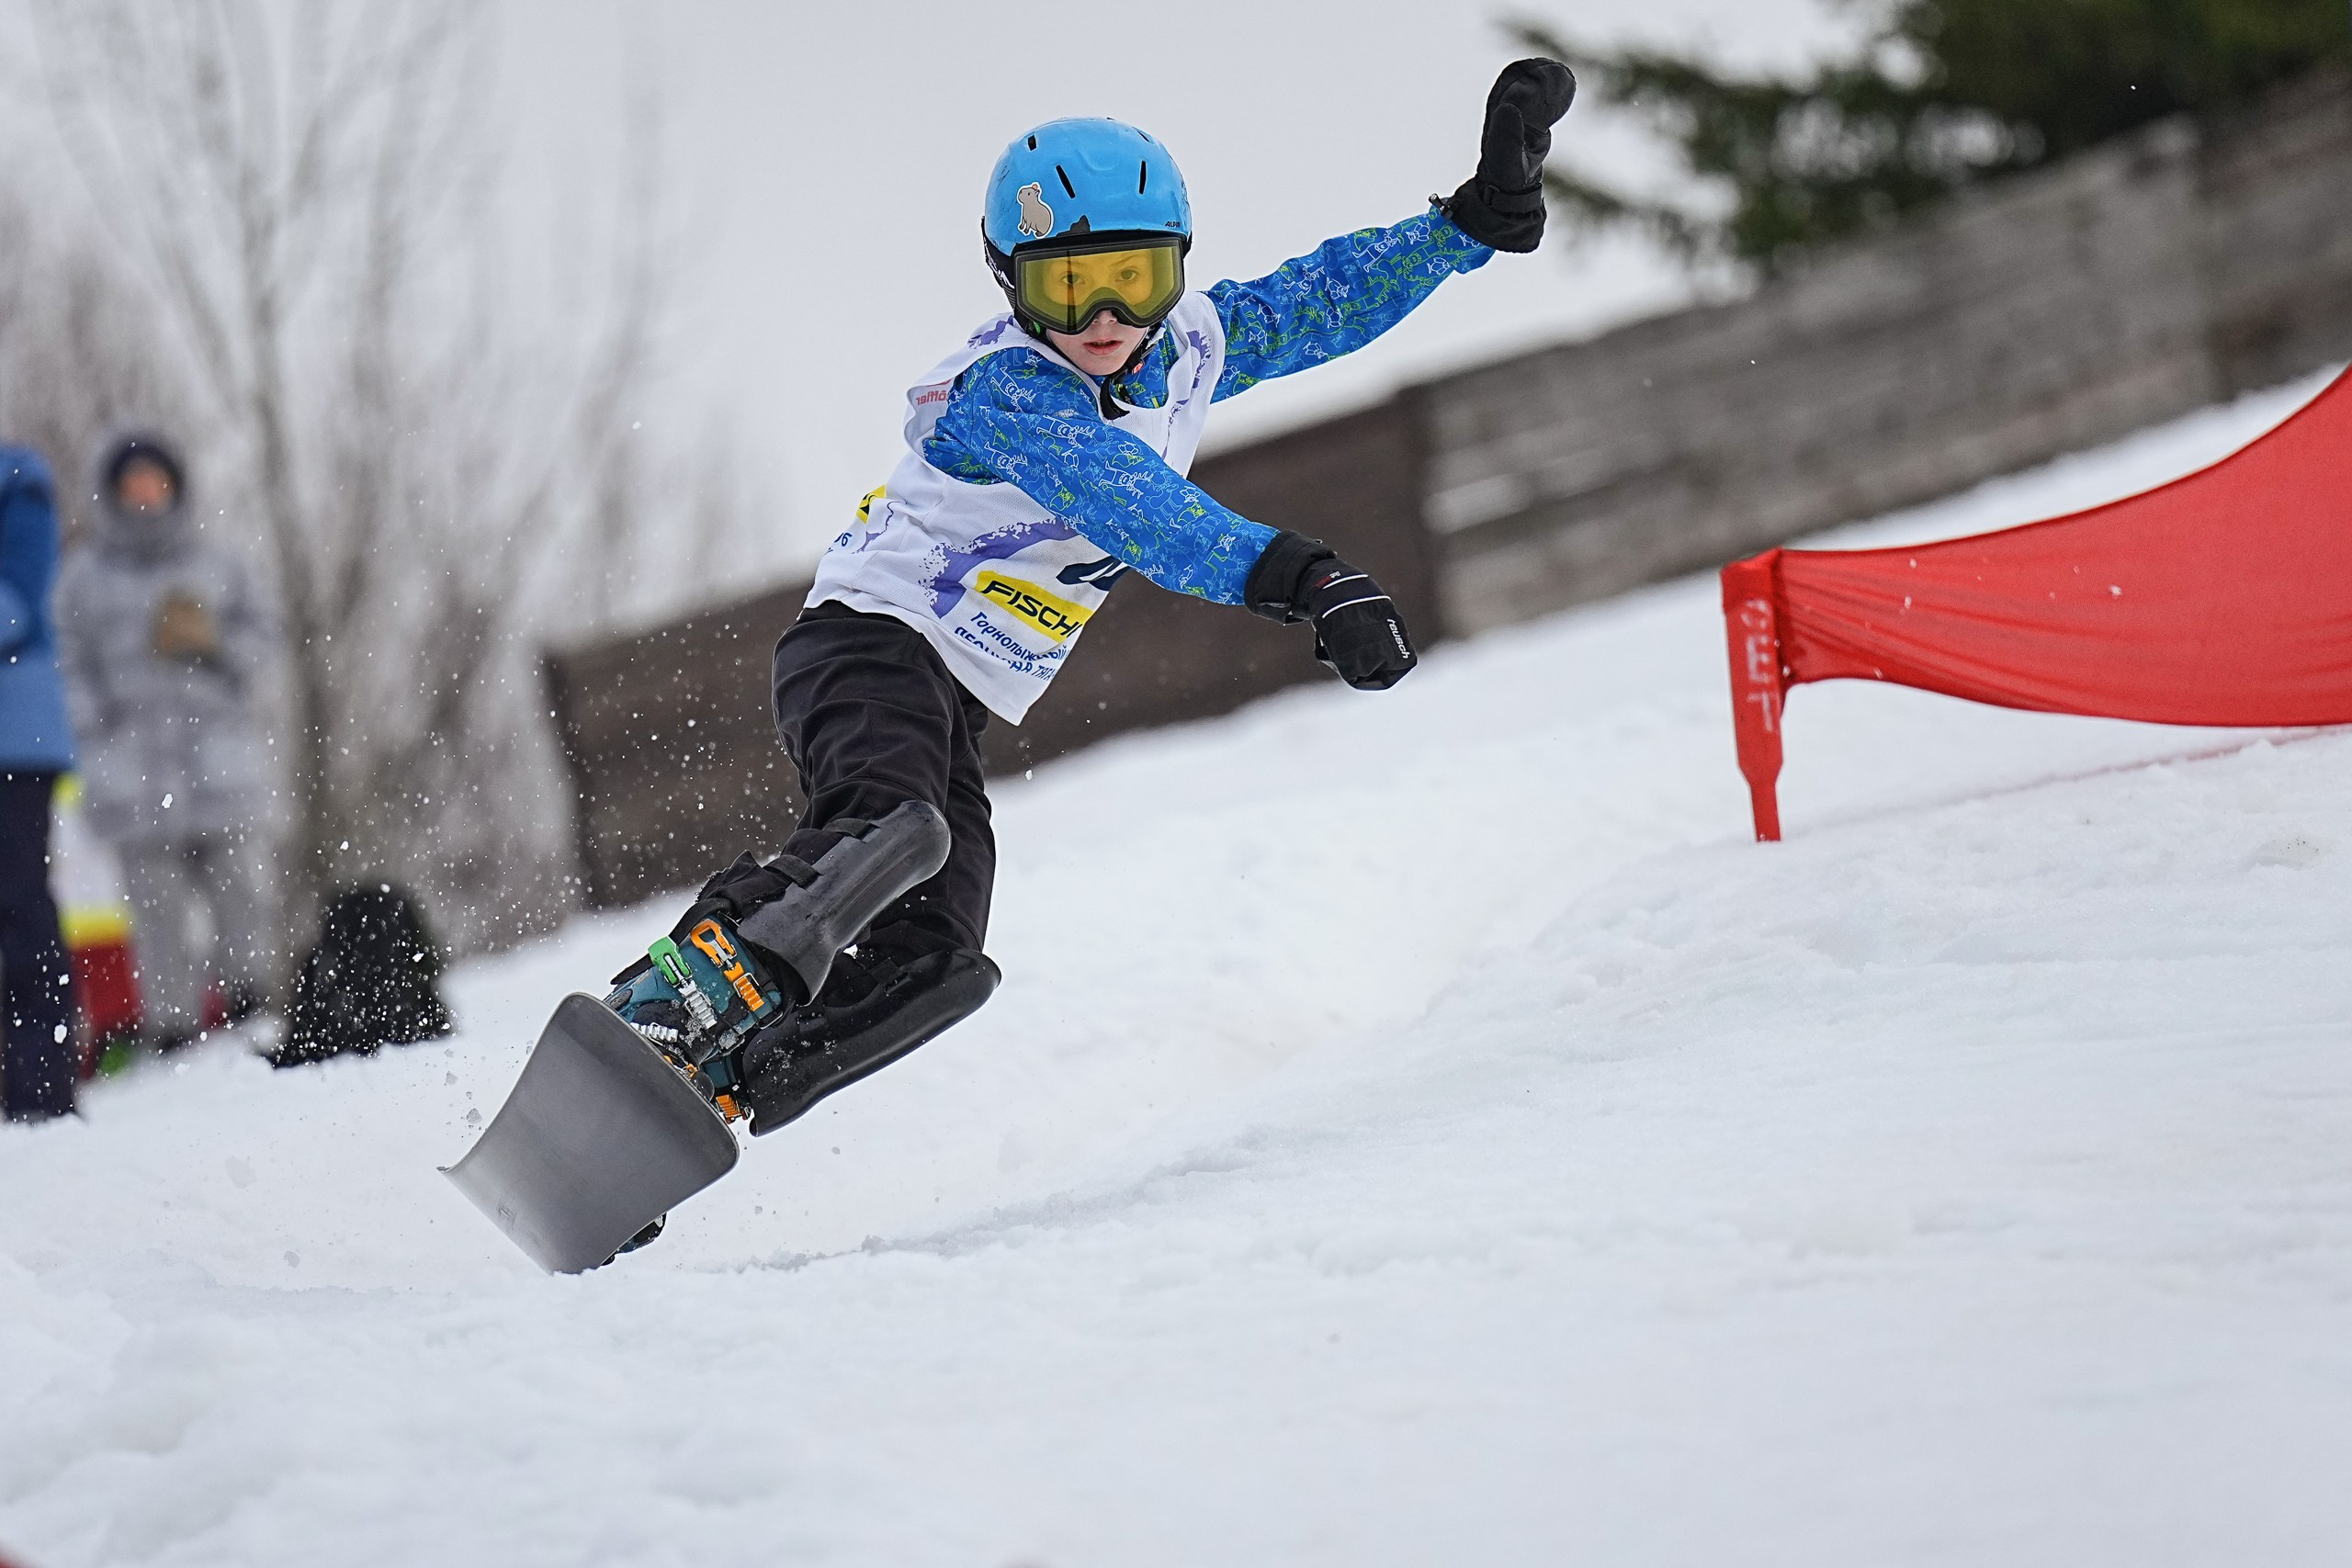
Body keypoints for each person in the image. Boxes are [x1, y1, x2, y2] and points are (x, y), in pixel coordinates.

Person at [678, 62, 1577, 1138]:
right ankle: (673, 1008)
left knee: (934, 960)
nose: (1106, 318)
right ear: (1010, 283)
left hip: (951, 694)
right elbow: (1138, 506)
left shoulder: (1182, 347)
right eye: (1068, 289)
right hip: (867, 647)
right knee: (890, 832)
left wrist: (1464, 225)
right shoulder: (1010, 393)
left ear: (1174, 270)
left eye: (1135, 281)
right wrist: (1304, 574)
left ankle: (719, 1087)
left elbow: (1317, 303)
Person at [55, 434, 281, 1051]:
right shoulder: (84, 580)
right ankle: (175, 1025)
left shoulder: (219, 564)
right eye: (133, 482)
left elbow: (265, 644)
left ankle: (248, 1001)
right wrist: (100, 726)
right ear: (113, 491)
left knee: (238, 885)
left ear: (174, 486)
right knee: (154, 904)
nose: (145, 493)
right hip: (131, 769)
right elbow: (67, 667)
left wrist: (214, 646)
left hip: (216, 760)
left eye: (154, 481)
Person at [0, 445, 78, 1121]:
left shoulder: (20, 485)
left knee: (20, 906)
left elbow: (15, 606)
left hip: (16, 741)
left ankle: (42, 1087)